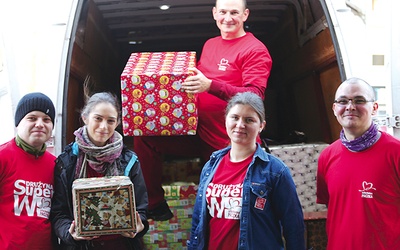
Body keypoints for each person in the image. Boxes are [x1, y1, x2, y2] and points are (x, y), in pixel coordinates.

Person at [134, 0, 273, 221]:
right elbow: (193, 78)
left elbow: (255, 96)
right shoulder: (210, 44)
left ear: (245, 15)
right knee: (145, 137)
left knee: (228, 210)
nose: (228, 18)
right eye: (223, 12)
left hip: (227, 142)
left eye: (234, 13)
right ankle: (154, 204)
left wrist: (211, 86)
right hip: (197, 130)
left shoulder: (254, 49)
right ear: (214, 13)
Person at [188, 92, 305, 250]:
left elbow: (293, 225)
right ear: (226, 119)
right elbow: (198, 221)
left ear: (261, 126)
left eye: (249, 120)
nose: (240, 125)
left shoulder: (275, 170)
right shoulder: (211, 166)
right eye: (235, 117)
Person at [50, 90, 149, 249]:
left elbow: (141, 210)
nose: (104, 126)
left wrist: (138, 227)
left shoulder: (129, 160)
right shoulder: (67, 161)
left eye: (110, 121)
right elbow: (59, 213)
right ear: (85, 118)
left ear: (117, 123)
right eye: (98, 118)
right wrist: (71, 234)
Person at [316, 77, 400, 249]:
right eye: (342, 101)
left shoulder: (395, 153)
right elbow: (332, 207)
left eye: (359, 100)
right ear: (334, 108)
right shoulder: (326, 156)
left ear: (374, 108)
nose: (350, 107)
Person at [0, 92, 57, 249]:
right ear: (18, 123)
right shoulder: (3, 157)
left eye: (46, 119)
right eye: (32, 118)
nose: (40, 124)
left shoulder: (55, 164)